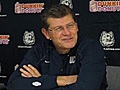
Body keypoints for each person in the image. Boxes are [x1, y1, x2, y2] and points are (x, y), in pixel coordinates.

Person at [7, 4, 107, 90]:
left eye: (70, 25)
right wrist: (61, 80)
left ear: (77, 27)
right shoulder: (39, 51)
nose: (67, 33)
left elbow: (86, 88)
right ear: (46, 33)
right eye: (59, 28)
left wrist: (42, 82)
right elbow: (13, 85)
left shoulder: (91, 48)